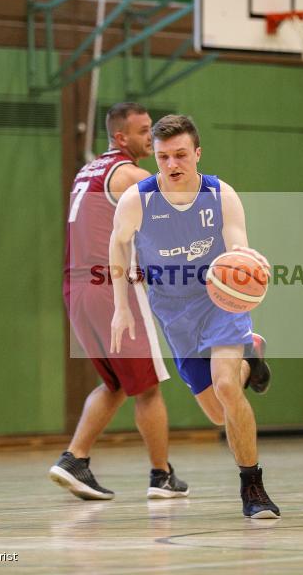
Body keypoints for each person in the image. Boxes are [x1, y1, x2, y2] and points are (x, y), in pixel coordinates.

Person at [109, 114, 279, 519]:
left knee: (225, 387)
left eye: (181, 155)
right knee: (218, 413)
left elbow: (237, 244)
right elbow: (118, 247)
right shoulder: (138, 200)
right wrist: (120, 307)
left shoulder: (221, 195)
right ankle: (250, 354)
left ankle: (252, 487)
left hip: (218, 301)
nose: (172, 164)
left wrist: (247, 262)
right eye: (163, 156)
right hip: (172, 311)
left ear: (197, 154)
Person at [50, 102, 188, 501]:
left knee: (114, 384)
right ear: (120, 137)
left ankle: (74, 459)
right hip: (110, 287)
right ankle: (161, 476)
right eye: (146, 131)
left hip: (76, 288)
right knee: (148, 388)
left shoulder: (87, 170)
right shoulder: (131, 175)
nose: (153, 137)